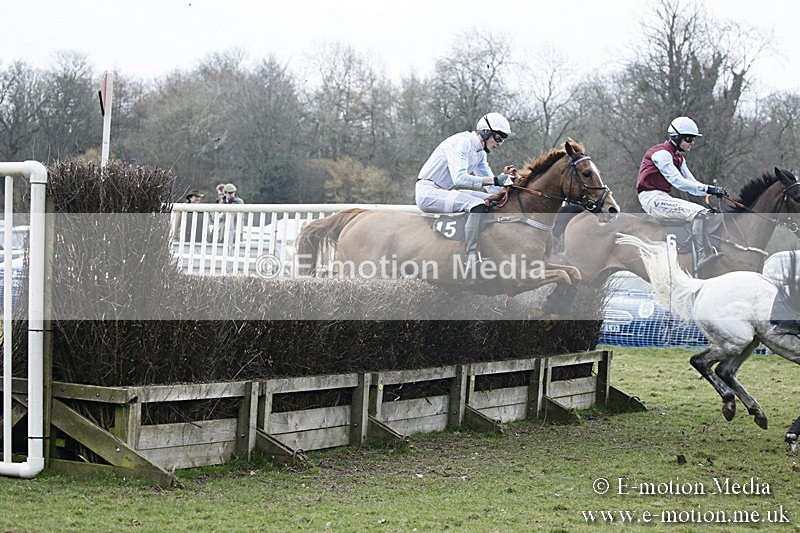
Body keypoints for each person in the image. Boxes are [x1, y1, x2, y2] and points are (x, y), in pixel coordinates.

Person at [415, 112, 516, 272]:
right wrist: (496, 179)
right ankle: (471, 257)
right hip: (428, 193)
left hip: (445, 191)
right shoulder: (463, 142)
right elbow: (459, 179)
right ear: (486, 132)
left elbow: (491, 188)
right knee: (477, 204)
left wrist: (511, 186)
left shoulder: (480, 152)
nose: (500, 143)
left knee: (494, 200)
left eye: (503, 139)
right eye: (498, 138)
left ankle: (491, 248)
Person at [635, 116, 728, 269]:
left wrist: (712, 190)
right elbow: (678, 182)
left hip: (662, 196)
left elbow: (692, 183)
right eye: (689, 139)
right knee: (699, 212)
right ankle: (702, 255)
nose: (692, 143)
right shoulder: (662, 154)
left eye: (693, 139)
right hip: (651, 198)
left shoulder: (679, 158)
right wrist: (708, 189)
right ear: (676, 137)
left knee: (706, 212)